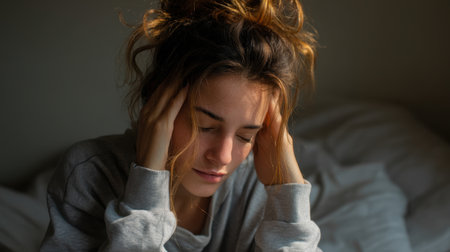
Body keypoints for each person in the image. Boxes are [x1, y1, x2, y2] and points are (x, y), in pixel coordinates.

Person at [41, 0, 321, 251]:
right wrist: (146, 185)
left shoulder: (258, 189)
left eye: (246, 136)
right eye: (205, 126)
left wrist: (288, 195)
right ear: (157, 101)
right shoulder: (89, 174)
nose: (222, 157)